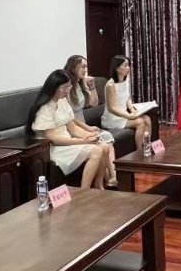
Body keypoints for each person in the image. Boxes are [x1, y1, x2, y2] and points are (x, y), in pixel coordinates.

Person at [29, 69, 109, 190]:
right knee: (96, 151)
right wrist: (82, 141)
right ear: (54, 87)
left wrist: (89, 136)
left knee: (104, 146)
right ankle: (84, 192)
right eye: (64, 87)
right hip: (54, 148)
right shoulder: (44, 107)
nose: (67, 91)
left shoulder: (62, 101)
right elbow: (52, 138)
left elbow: (73, 128)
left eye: (69, 87)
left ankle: (99, 186)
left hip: (68, 142)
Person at [64, 55, 117, 187]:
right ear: (73, 67)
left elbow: (94, 103)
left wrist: (92, 86)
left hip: (83, 125)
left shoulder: (81, 83)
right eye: (82, 66)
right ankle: (107, 180)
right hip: (73, 127)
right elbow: (69, 118)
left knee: (107, 137)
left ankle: (112, 176)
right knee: (101, 141)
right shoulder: (67, 87)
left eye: (86, 67)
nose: (85, 70)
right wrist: (87, 128)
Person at [102, 56, 149, 150]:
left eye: (128, 65)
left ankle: (147, 146)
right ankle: (139, 151)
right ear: (117, 68)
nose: (128, 68)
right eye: (125, 65)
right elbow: (112, 108)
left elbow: (128, 98)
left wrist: (132, 109)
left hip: (124, 115)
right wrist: (128, 116)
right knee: (140, 122)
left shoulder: (126, 80)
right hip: (112, 118)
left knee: (147, 119)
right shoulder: (110, 85)